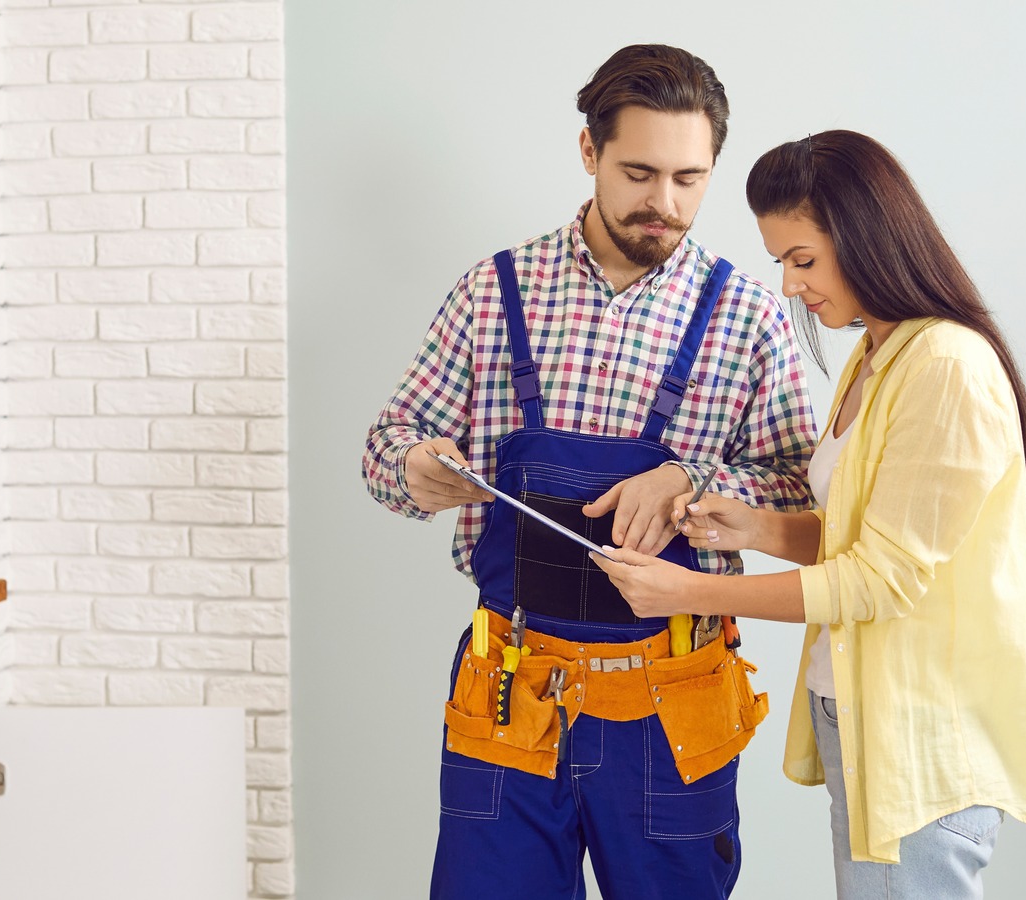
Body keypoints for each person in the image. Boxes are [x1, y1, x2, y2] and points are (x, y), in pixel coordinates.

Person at [361, 45, 818, 899]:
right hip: (508, 695)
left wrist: (691, 477)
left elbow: (807, 497)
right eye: (640, 172)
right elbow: (388, 446)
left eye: (690, 178)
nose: (665, 204)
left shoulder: (750, 316)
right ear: (588, 151)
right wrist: (418, 467)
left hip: (672, 705)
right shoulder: (493, 292)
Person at [593, 130, 1026, 898]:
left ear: (867, 238)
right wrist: (757, 527)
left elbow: (880, 581)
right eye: (780, 261)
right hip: (866, 722)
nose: (787, 285)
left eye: (802, 260)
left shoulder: (945, 366)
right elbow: (858, 537)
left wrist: (690, 594)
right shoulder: (875, 356)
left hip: (921, 742)